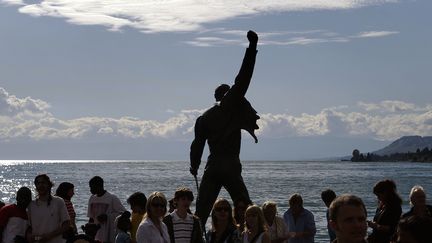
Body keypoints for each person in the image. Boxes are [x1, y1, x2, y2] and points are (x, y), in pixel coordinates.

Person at [189, 30, 259, 226]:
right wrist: (252, 48)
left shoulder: (203, 118)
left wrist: (194, 165)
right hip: (230, 166)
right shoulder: (230, 105)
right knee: (246, 208)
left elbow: (197, 145)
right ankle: (258, 235)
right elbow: (244, 77)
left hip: (212, 167)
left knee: (201, 212)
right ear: (227, 96)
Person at [28, 174, 71, 243]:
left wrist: (49, 236)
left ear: (49, 185)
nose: (41, 185)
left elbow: (66, 224)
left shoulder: (58, 201)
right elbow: (29, 227)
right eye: (38, 183)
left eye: (43, 183)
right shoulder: (31, 205)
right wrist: (30, 236)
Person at [87, 176, 126, 243]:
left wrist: (107, 216)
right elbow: (91, 218)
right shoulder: (92, 198)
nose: (90, 189)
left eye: (92, 187)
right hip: (96, 234)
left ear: (99, 186)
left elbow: (124, 214)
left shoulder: (112, 198)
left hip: (109, 233)